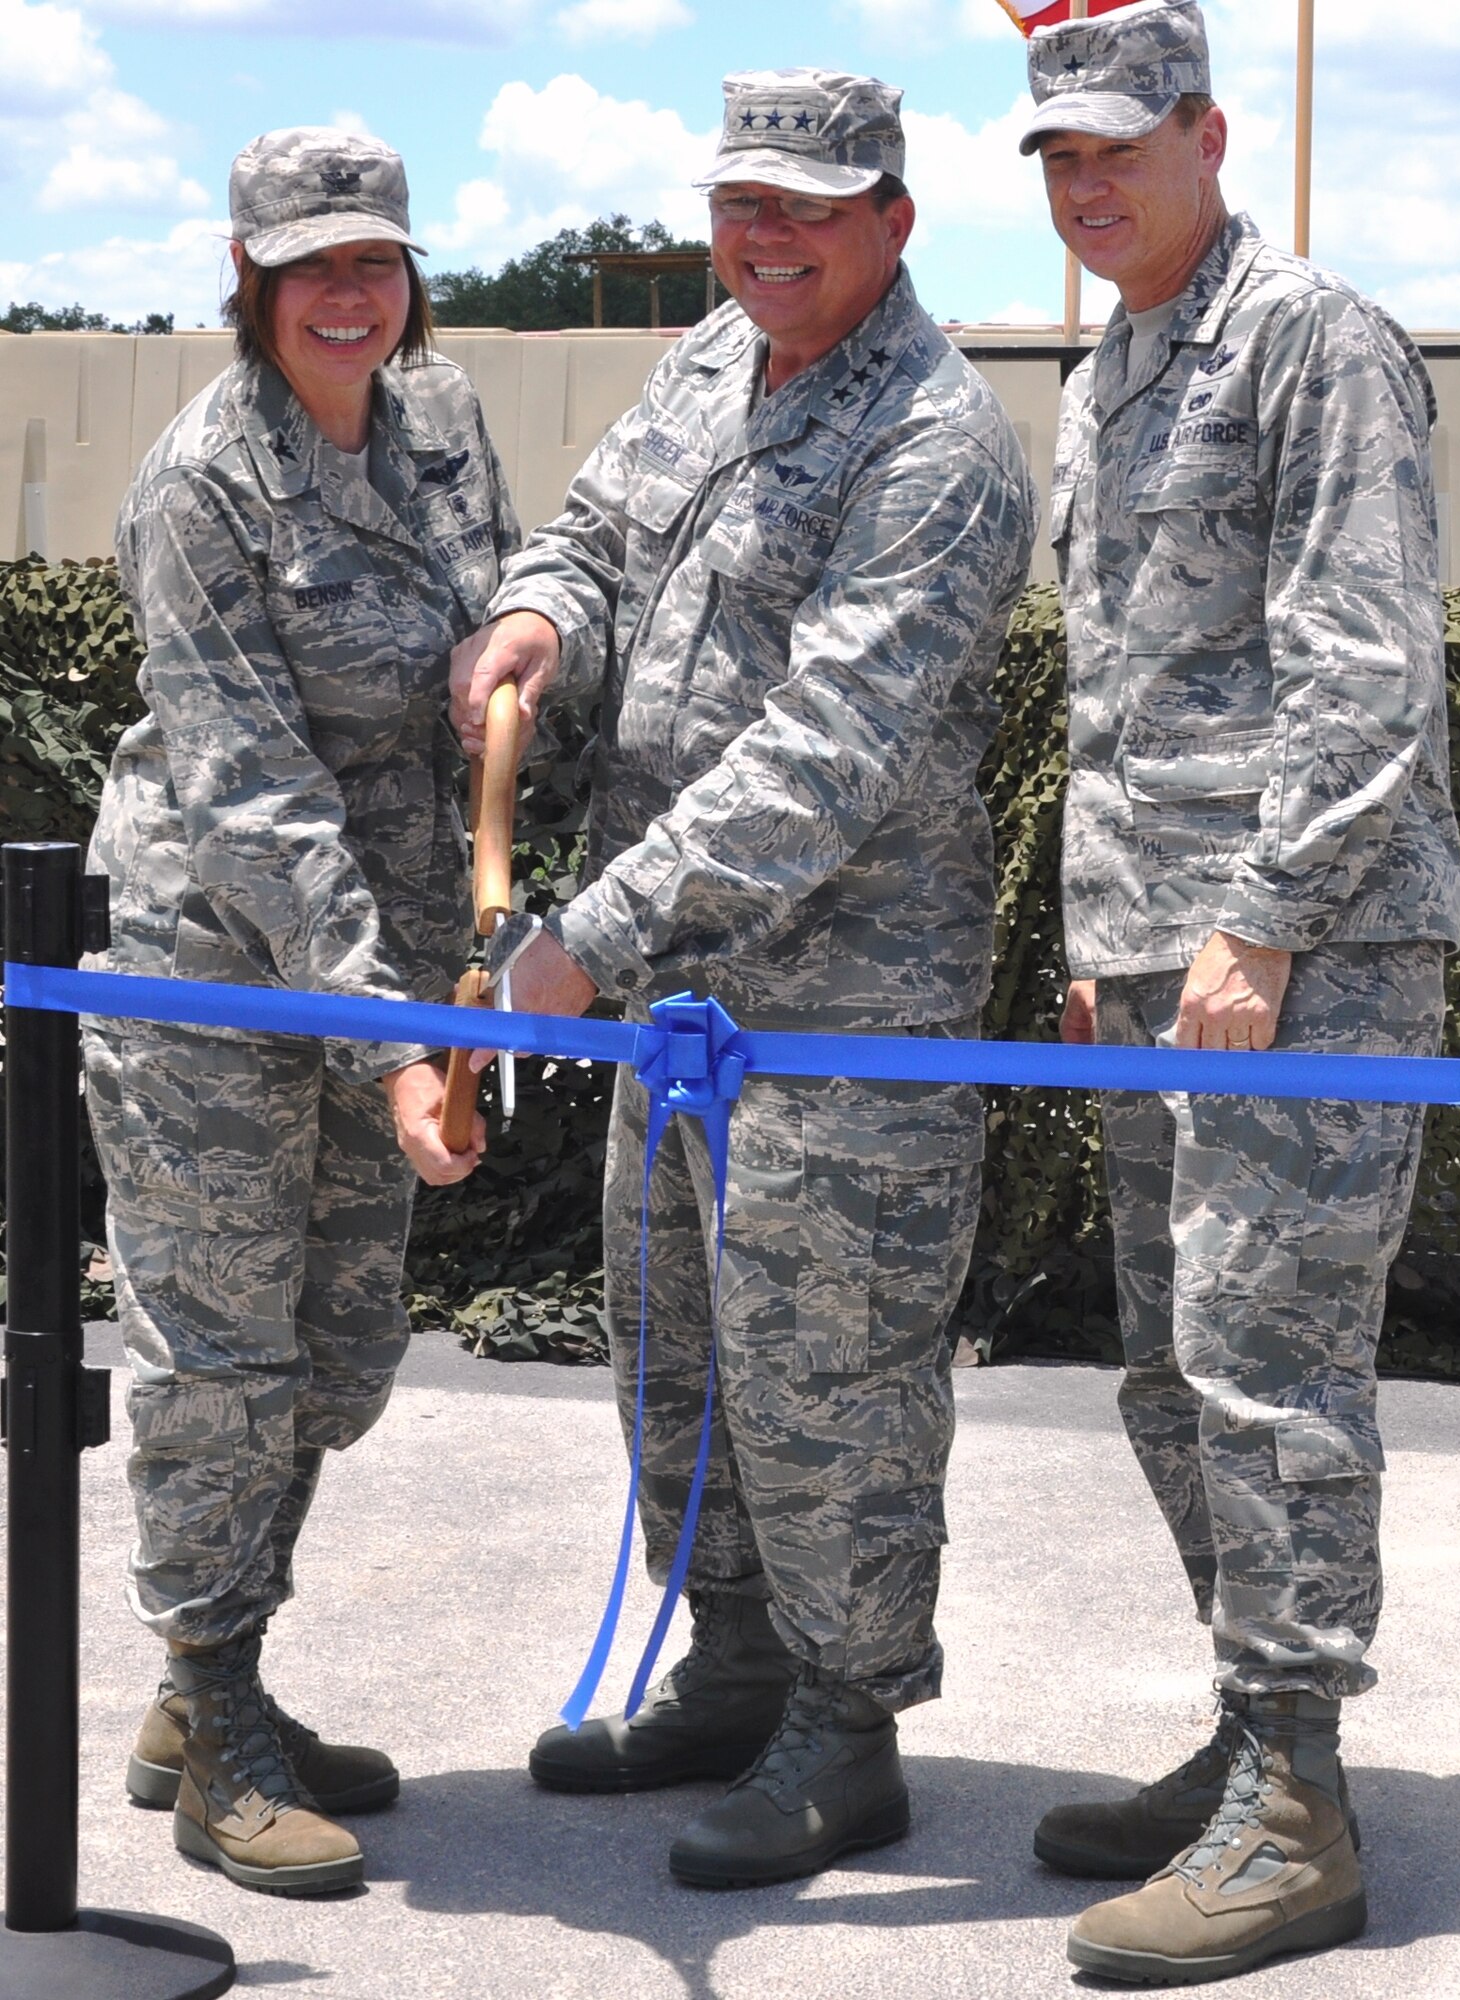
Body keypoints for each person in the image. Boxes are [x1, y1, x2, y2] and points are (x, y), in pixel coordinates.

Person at [448, 68, 1035, 1888]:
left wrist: (582, 936)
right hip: (675, 1005)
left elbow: (823, 753)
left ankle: (843, 1734)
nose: (762, 237)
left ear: (893, 221)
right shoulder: (709, 361)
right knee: (677, 1354)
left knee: (828, 1378)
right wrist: (542, 608)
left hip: (843, 1022)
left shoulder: (938, 442)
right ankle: (736, 1665)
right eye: (739, 204)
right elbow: (603, 534)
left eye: (806, 206)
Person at [1017, 0, 1460, 1982]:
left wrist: (1263, 916)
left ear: (1209, 132)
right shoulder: (1107, 364)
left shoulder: (1311, 342)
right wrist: (1095, 939)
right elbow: (1114, 700)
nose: (1081, 178)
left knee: (1268, 1380)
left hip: (1300, 958)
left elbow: (1362, 668)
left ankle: (1294, 1804)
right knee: (1165, 1374)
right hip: (1163, 961)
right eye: (1052, 153)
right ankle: (1244, 1731)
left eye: (1115, 140)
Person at [82, 126, 515, 1896]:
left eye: (378, 261)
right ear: (248, 279)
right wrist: (396, 1031)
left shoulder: (441, 426)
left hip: (387, 969)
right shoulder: (203, 485)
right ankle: (212, 1708)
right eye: (312, 264)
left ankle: (218, 1676)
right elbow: (253, 794)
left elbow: (485, 652)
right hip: (219, 977)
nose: (350, 292)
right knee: (222, 1357)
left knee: (334, 1354)